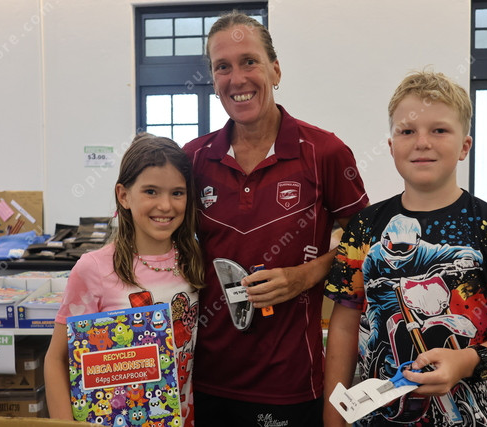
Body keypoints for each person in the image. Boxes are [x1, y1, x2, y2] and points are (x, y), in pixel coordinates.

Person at [323, 70, 487, 426]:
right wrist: (333, 418)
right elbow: (343, 328)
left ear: (465, 146)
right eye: (407, 131)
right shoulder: (364, 227)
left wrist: (468, 360)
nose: (422, 142)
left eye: (439, 130)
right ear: (391, 146)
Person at [182, 11, 369, 426]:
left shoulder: (325, 152)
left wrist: (306, 275)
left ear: (275, 70)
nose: (237, 78)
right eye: (222, 67)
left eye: (249, 61)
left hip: (290, 382)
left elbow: (367, 243)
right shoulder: (193, 158)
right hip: (202, 378)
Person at [44, 133, 205, 426]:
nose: (165, 205)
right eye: (151, 192)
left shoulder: (193, 260)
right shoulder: (94, 268)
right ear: (123, 195)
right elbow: (56, 359)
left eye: (177, 193)